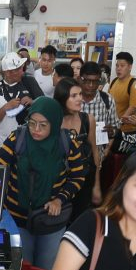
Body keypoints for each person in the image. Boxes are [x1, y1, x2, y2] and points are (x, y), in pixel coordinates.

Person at [0, 97, 85, 270]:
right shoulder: (18, 138)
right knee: (22, 268)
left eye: (43, 125)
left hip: (50, 220)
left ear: (55, 123)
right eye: (32, 123)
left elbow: (78, 176)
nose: (36, 130)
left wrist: (59, 199)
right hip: (17, 218)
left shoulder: (67, 144)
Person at [76, 62, 122, 202]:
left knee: (93, 201)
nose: (90, 85)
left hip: (98, 161)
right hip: (73, 159)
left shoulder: (107, 100)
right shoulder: (73, 98)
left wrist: (111, 132)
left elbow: (115, 127)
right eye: (87, 81)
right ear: (80, 79)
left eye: (95, 82)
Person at [55, 77, 97, 221]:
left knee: (79, 221)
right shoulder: (53, 122)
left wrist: (97, 186)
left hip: (84, 182)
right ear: (62, 98)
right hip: (60, 183)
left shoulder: (88, 119)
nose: (80, 99)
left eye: (80, 94)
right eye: (74, 96)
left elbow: (94, 154)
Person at [0, 52, 45, 149]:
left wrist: (32, 102)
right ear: (8, 72)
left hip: (28, 143)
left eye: (21, 68)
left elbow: (45, 105)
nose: (22, 72)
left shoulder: (29, 82)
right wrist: (6, 107)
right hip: (3, 144)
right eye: (18, 69)